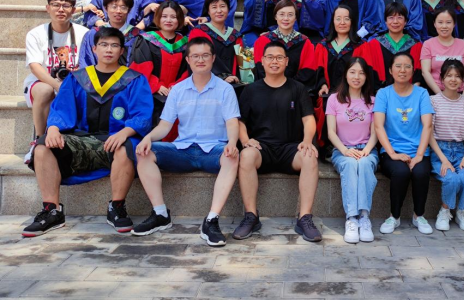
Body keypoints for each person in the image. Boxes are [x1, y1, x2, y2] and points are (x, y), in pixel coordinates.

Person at [22, 27, 153, 237]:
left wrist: (125, 132)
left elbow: (142, 115)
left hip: (116, 141)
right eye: (103, 45)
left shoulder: (134, 79)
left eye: (114, 45)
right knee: (43, 146)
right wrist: (53, 128)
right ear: (94, 49)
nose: (108, 50)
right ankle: (52, 211)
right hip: (82, 140)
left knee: (127, 146)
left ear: (122, 51)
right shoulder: (78, 78)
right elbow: (61, 108)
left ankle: (117, 207)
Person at [132, 38, 240, 246]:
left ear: (213, 58)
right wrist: (148, 138)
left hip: (213, 150)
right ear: (188, 60)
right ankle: (160, 214)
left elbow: (232, 122)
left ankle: (211, 220)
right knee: (144, 152)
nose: (200, 60)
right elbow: (165, 125)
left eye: (205, 55)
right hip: (182, 149)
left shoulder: (225, 89)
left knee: (232, 157)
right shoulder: (178, 90)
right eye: (195, 56)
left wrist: (232, 143)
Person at [233, 40, 323, 243]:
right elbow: (240, 121)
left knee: (309, 157)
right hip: (262, 148)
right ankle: (251, 216)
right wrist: (246, 140)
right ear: (262, 61)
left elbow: (309, 119)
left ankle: (305, 218)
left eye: (279, 57)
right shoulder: (251, 90)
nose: (275, 61)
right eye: (270, 57)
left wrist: (307, 140)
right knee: (246, 156)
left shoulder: (298, 89)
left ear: (287, 61)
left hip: (291, 148)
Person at [374, 53, 434, 235]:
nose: (402, 70)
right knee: (400, 172)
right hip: (391, 150)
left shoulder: (422, 93)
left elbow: (427, 125)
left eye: (407, 66)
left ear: (413, 70)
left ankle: (419, 215)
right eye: (398, 66)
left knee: (420, 172)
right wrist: (392, 154)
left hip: (418, 150)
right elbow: (378, 126)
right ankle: (394, 216)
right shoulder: (383, 93)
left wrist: (419, 155)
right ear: (390, 70)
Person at [326, 57, 378, 244]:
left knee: (364, 164)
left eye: (361, 73)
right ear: (346, 75)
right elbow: (331, 132)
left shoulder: (373, 101)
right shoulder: (334, 99)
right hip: (342, 150)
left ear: (366, 77)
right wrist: (345, 150)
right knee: (349, 165)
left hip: (367, 150)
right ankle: (351, 218)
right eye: (353, 72)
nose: (357, 77)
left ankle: (364, 217)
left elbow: (376, 132)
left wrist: (366, 150)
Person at [24, 0, 89, 138]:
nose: (60, 9)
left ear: (73, 10)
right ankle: (39, 138)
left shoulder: (84, 33)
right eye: (55, 5)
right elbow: (35, 66)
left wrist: (69, 83)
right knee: (45, 91)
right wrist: (57, 85)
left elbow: (87, 64)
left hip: (74, 80)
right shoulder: (36, 34)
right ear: (48, 8)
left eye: (66, 6)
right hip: (42, 81)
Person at [428, 60, 464, 232]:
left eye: (457, 76)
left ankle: (461, 211)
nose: (453, 79)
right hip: (440, 149)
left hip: (460, 150)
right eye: (449, 76)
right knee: (450, 178)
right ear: (441, 79)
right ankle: (445, 210)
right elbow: (429, 133)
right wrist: (443, 159)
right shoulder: (433, 101)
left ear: (463, 80)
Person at [129, 1, 189, 131]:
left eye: (173, 17)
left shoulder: (186, 43)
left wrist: (177, 86)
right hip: (151, 96)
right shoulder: (146, 40)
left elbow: (189, 69)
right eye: (164, 16)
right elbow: (139, 67)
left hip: (178, 95)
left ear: (179, 19)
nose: (168, 20)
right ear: (158, 18)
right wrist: (156, 85)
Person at [252, 0, 318, 92]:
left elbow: (307, 71)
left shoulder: (305, 42)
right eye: (282, 14)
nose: (286, 18)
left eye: (290, 15)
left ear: (295, 18)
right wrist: (275, 86)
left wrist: (288, 88)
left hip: (295, 92)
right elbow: (261, 69)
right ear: (275, 16)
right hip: (267, 91)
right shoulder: (263, 41)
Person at [365, 2, 423, 92]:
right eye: (391, 18)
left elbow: (418, 76)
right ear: (385, 21)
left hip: (409, 94)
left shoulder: (416, 45)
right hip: (380, 94)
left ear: (405, 21)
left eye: (400, 17)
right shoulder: (374, 45)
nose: (395, 22)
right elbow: (370, 75)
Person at [189, 0, 243, 84]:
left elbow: (241, 62)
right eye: (214, 7)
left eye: (222, 6)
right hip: (206, 83)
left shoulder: (235, 35)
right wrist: (222, 77)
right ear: (208, 11)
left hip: (233, 82)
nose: (219, 11)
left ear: (228, 9)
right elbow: (196, 59)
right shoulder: (199, 32)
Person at [315, 5, 368, 97]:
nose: (342, 22)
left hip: (353, 97)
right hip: (328, 96)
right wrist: (322, 85)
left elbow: (366, 73)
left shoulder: (362, 46)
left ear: (352, 22)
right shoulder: (323, 46)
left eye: (346, 19)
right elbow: (317, 70)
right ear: (333, 21)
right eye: (338, 19)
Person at [420, 8, 464, 95]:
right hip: (435, 93)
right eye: (440, 22)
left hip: (460, 93)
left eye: (448, 22)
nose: (444, 26)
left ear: (454, 24)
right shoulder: (428, 44)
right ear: (434, 24)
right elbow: (425, 72)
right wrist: (440, 95)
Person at [79, 0, 136, 68]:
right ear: (106, 8)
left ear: (129, 10)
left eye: (123, 7)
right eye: (114, 7)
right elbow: (86, 63)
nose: (118, 11)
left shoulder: (138, 36)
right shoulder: (93, 34)